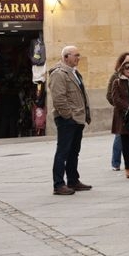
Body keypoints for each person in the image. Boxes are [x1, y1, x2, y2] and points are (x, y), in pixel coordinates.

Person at [49, 45, 92, 196]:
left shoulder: (74, 73)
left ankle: (73, 180)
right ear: (66, 57)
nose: (78, 58)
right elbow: (59, 98)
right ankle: (58, 184)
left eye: (78, 55)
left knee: (74, 152)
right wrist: (69, 115)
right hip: (67, 119)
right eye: (76, 55)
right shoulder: (59, 74)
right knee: (63, 152)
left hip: (77, 119)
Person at [109, 53, 129, 178]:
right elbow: (114, 97)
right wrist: (127, 107)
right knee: (122, 139)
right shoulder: (116, 80)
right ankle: (123, 165)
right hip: (122, 115)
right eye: (126, 67)